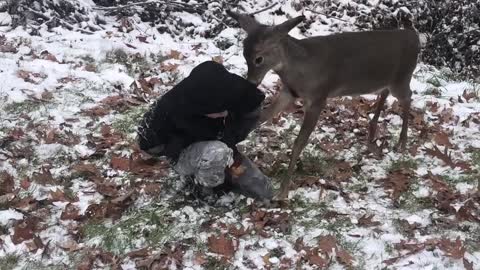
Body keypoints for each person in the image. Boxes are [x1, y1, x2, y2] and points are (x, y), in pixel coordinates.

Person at [137, 61, 273, 200]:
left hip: (216, 134)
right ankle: (207, 189)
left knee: (264, 189)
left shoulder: (230, 86)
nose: (224, 113)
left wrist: (231, 135)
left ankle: (224, 158)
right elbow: (150, 146)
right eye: (217, 111)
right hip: (182, 148)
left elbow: (253, 101)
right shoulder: (173, 113)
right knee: (216, 153)